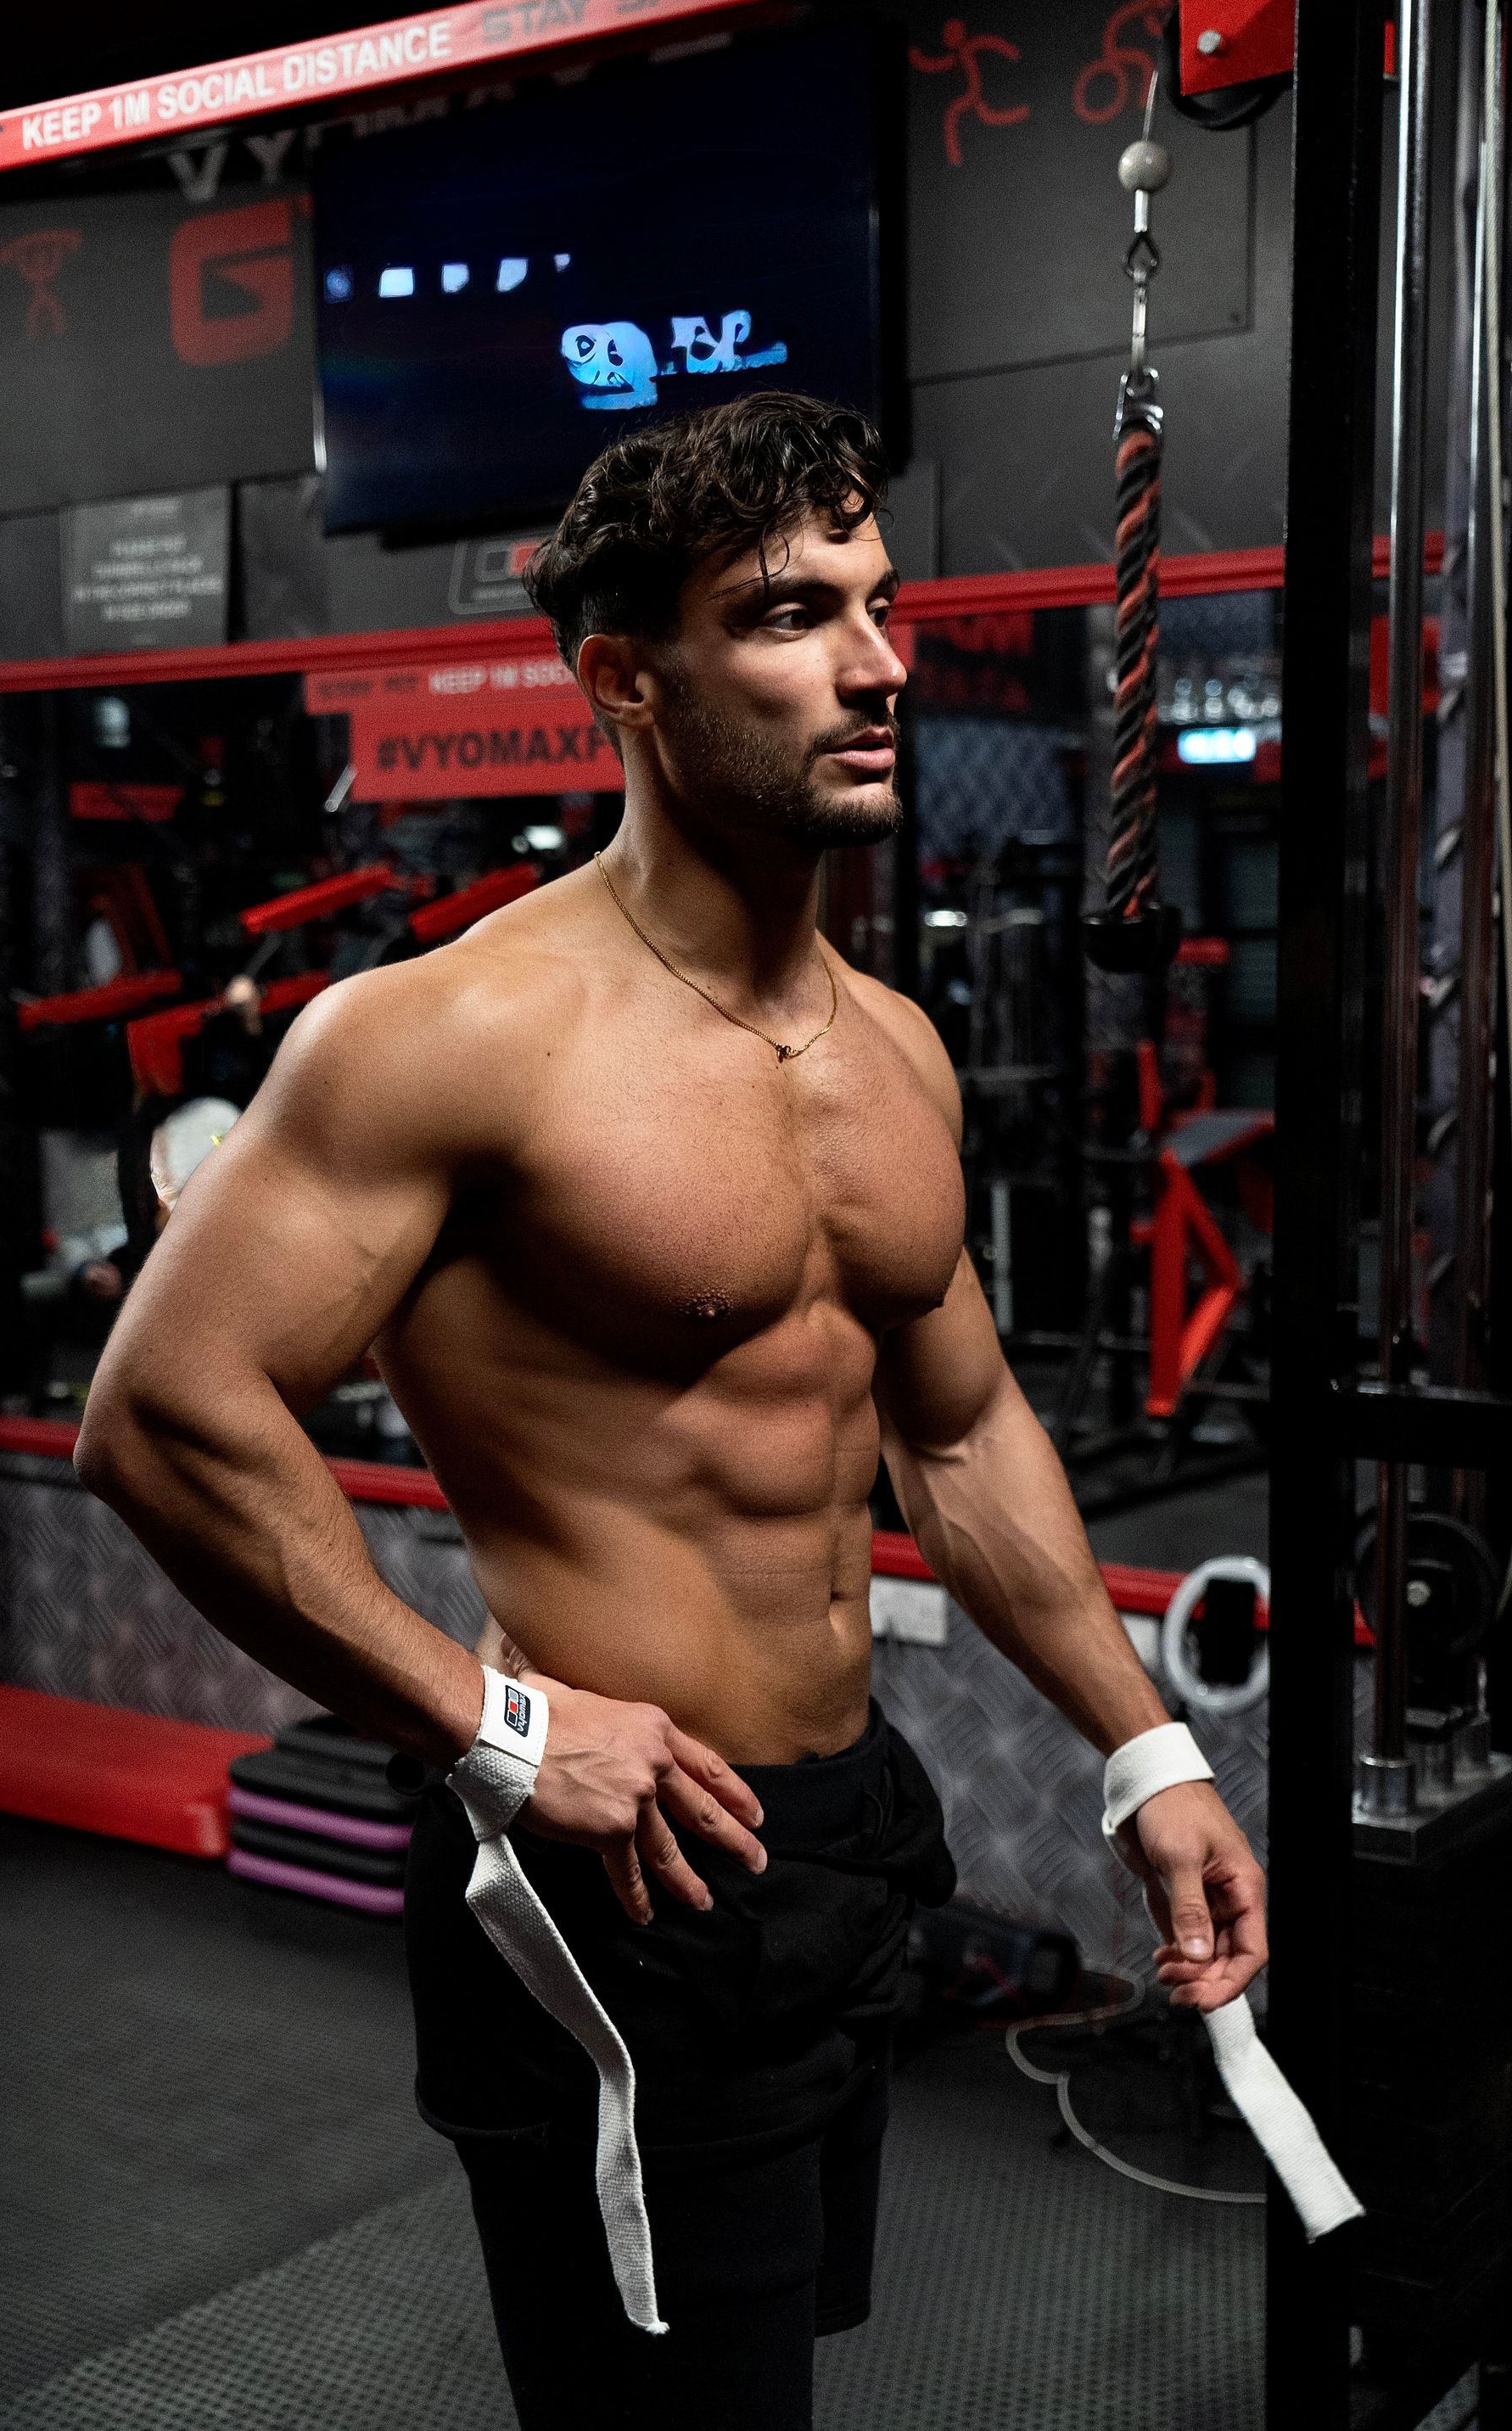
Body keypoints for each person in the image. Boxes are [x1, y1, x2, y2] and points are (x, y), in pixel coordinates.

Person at [76, 391, 1266, 2430]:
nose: (879, 665)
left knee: (760, 2366)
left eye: (879, 604)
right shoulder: (449, 1037)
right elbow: (163, 1414)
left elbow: (963, 1437)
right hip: (614, 1866)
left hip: (837, 1839)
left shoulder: (891, 1050)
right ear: (626, 679)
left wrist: (1142, 1745)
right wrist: (493, 1723)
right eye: (792, 615)